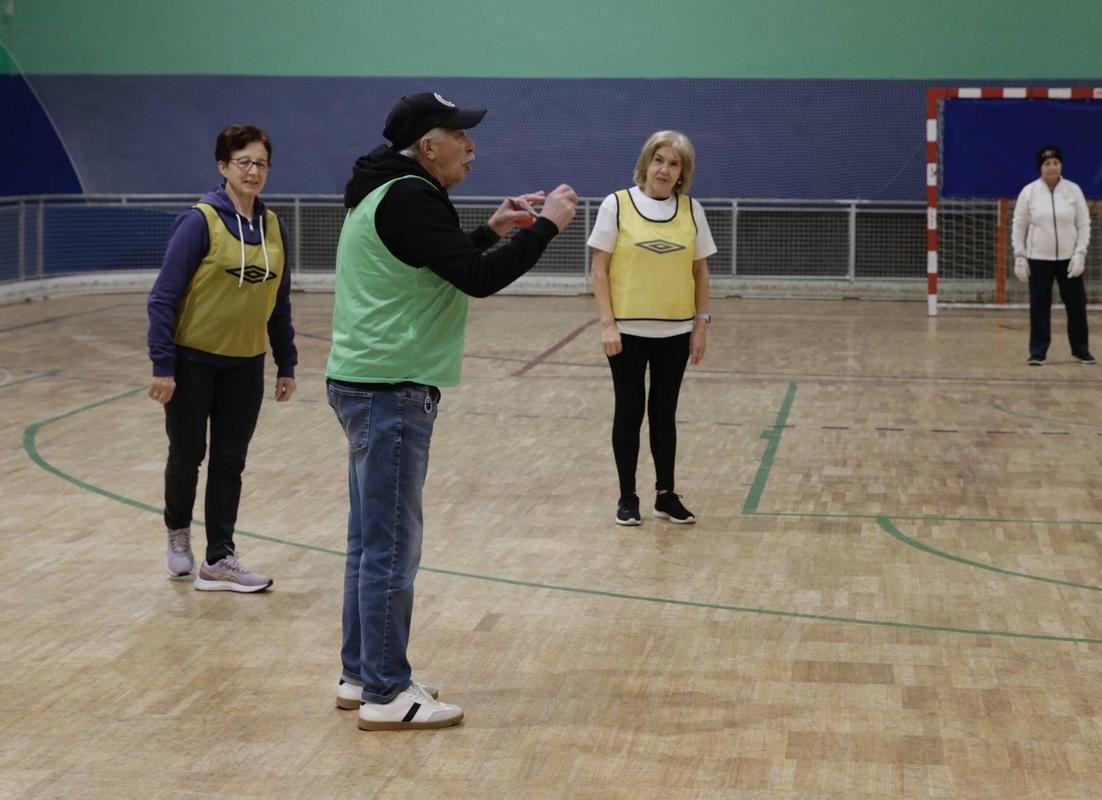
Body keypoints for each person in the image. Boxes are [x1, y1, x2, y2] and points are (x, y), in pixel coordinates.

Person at [325, 92, 577, 731]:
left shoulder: (384, 189)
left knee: (367, 543)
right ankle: (386, 690)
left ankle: (362, 674)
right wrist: (547, 226)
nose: (472, 146)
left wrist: (491, 230)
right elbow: (476, 279)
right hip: (392, 388)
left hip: (363, 381)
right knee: (390, 547)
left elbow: (434, 260)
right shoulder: (411, 194)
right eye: (459, 135)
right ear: (427, 144)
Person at [146, 125, 296, 592]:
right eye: (244, 162)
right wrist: (163, 364)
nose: (253, 171)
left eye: (261, 164)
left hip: (245, 364)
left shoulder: (273, 225)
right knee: (188, 454)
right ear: (223, 167)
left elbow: (279, 301)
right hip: (192, 362)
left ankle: (219, 559)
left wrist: (285, 362)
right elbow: (163, 297)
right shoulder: (199, 221)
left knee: (230, 461)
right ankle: (177, 533)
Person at [588, 130, 715, 527]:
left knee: (665, 414)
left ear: (682, 173)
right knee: (629, 412)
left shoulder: (692, 211)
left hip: (675, 332)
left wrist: (701, 325)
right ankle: (628, 496)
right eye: (659, 160)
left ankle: (666, 495)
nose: (665, 169)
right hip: (626, 332)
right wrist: (608, 324)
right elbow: (599, 269)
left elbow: (700, 271)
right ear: (646, 163)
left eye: (674, 163)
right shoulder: (617, 205)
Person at [1012, 145, 1094, 366]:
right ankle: (1038, 352)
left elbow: (1084, 224)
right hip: (1039, 259)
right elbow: (1019, 225)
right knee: (1039, 305)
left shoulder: (1073, 190)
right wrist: (1020, 255)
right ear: (1040, 167)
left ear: (1061, 165)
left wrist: (1080, 253)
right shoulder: (1029, 192)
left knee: (1077, 305)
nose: (1052, 167)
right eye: (1047, 163)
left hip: (1069, 259)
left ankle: (1081, 349)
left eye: (1055, 163)